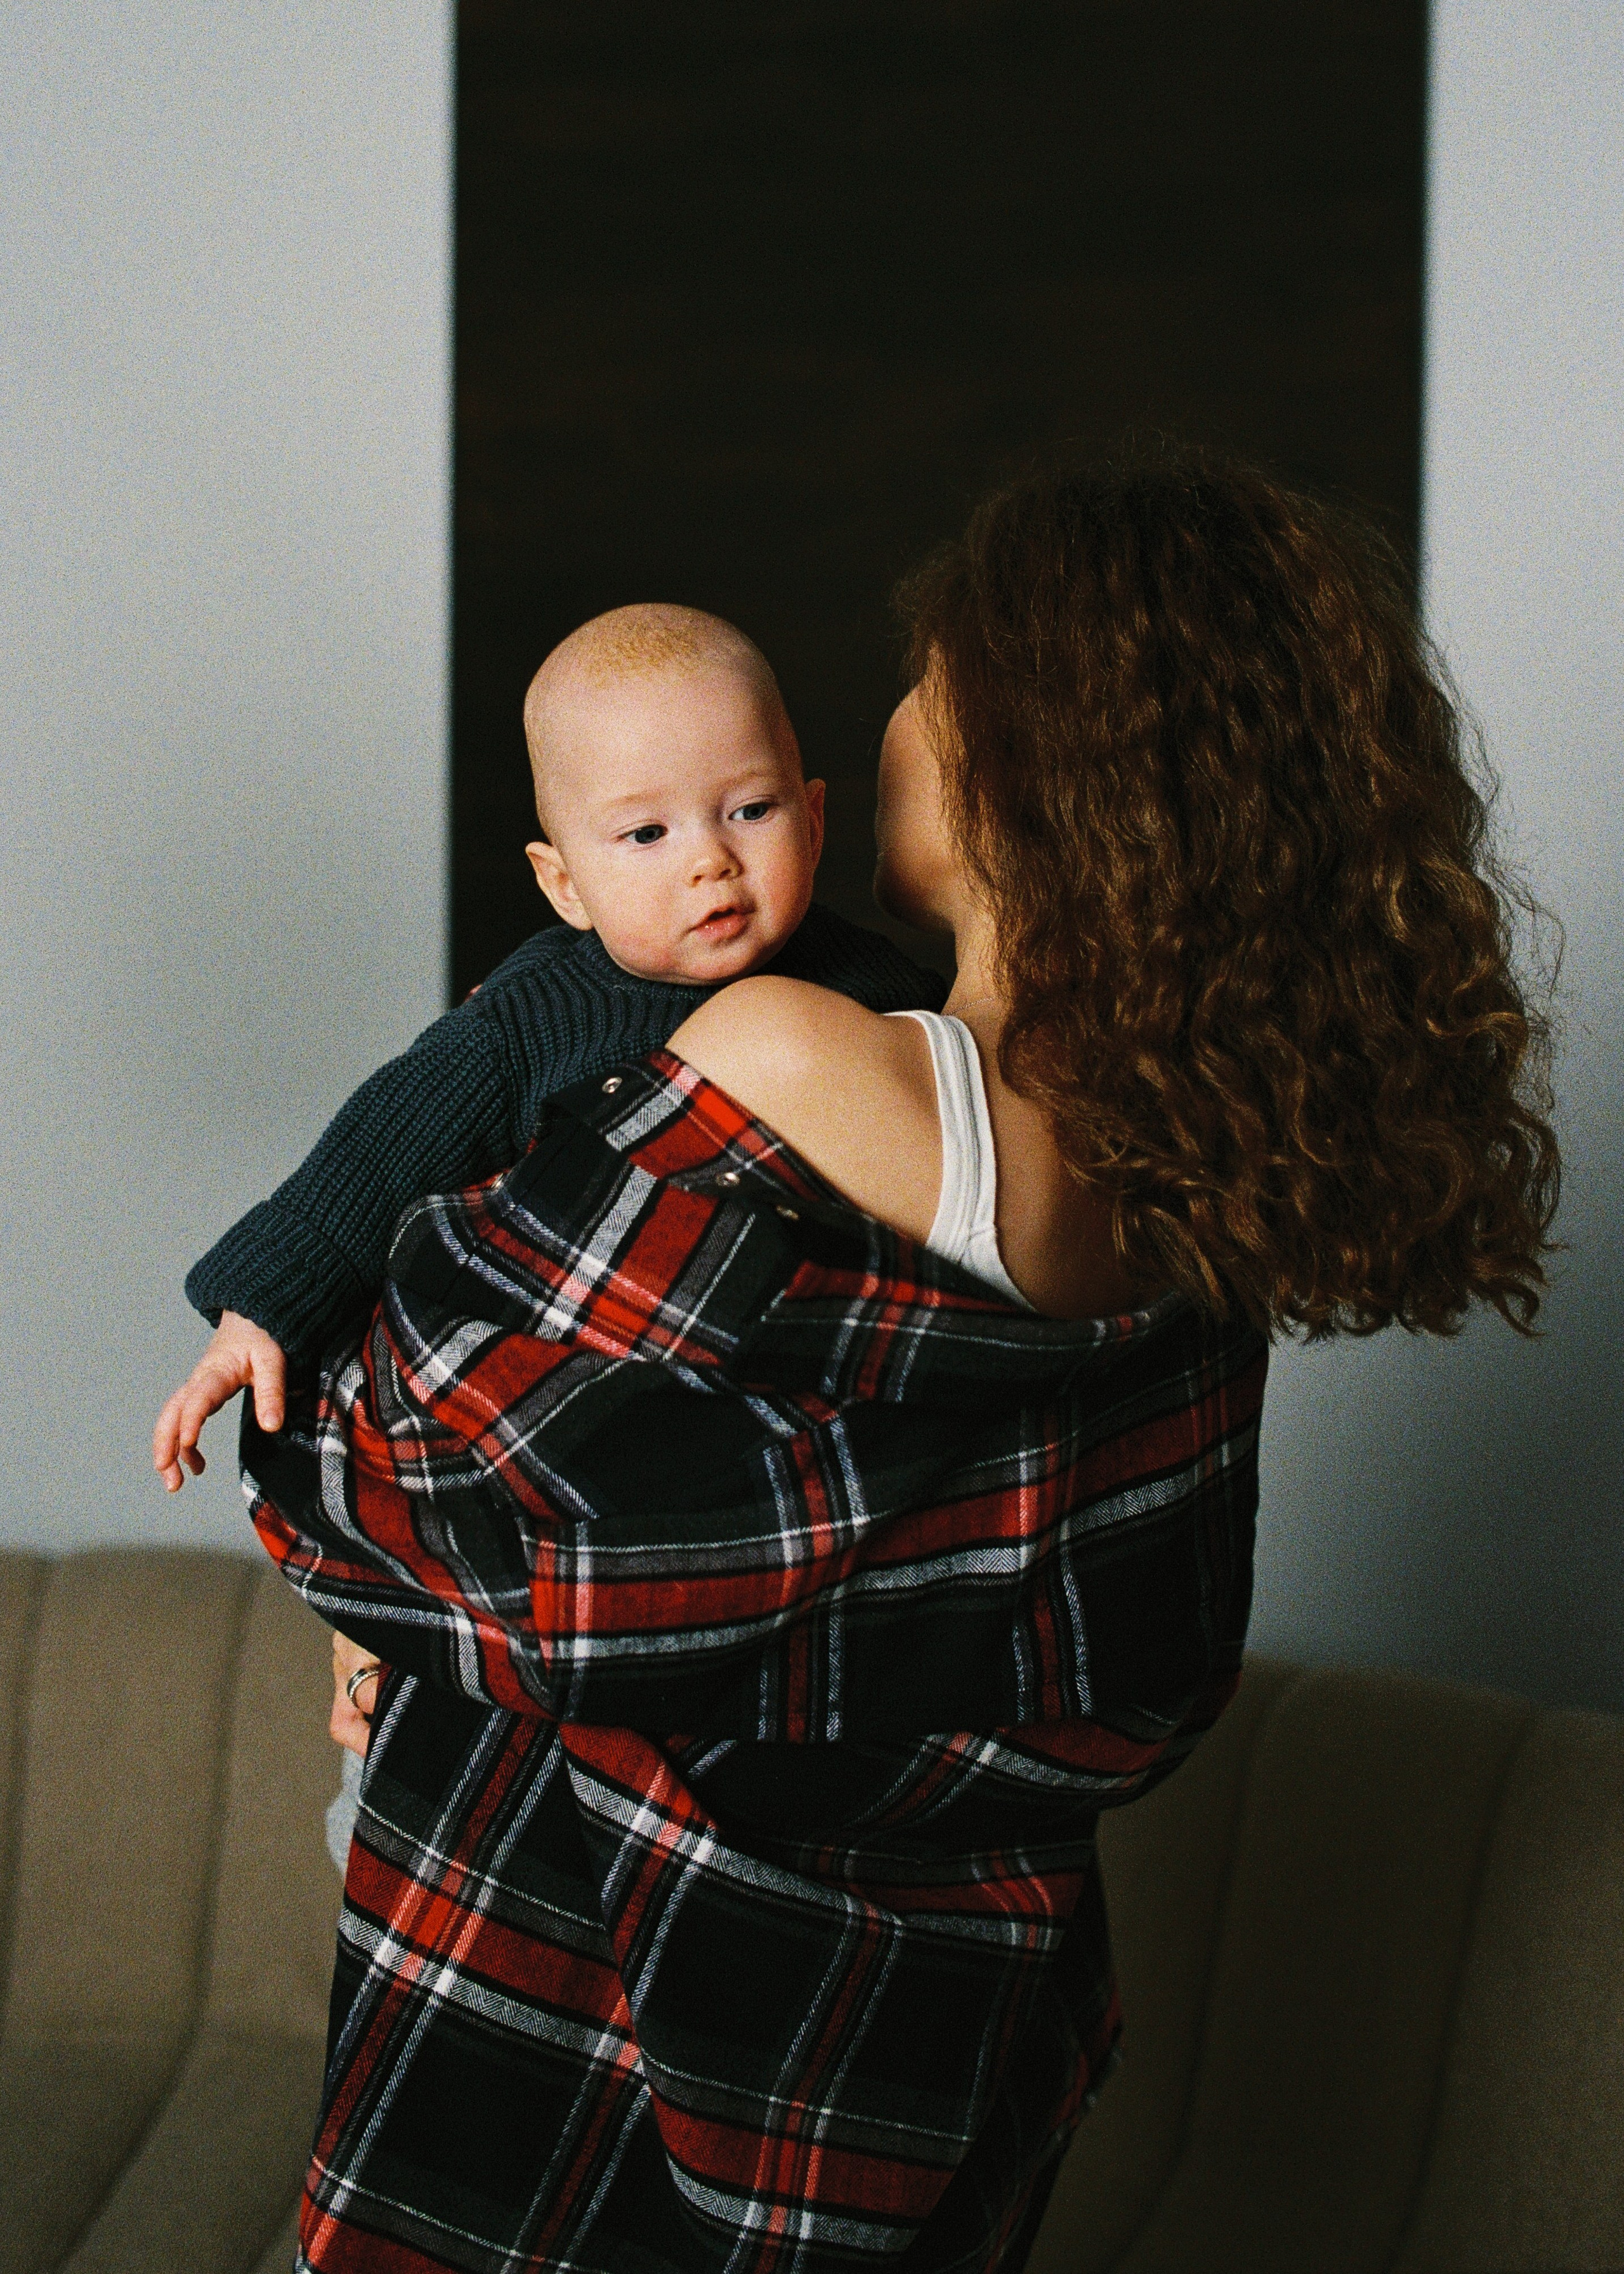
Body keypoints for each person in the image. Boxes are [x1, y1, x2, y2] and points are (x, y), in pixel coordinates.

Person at [268, 454, 1559, 2273]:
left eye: (928, 685)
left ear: (1023, 772)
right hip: (920, 2038)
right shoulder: (1195, 1175)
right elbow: (1119, 1652)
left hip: (596, 2021)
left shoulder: (796, 1056)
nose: (887, 720)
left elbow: (414, 1471)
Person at [152, 601, 945, 1495]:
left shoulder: (870, 985)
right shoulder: (530, 1019)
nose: (711, 861)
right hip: (582, 1417)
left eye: (751, 810)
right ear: (565, 884)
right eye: (648, 834)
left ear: (815, 822)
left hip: (800, 1406)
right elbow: (376, 1154)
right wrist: (257, 1313)